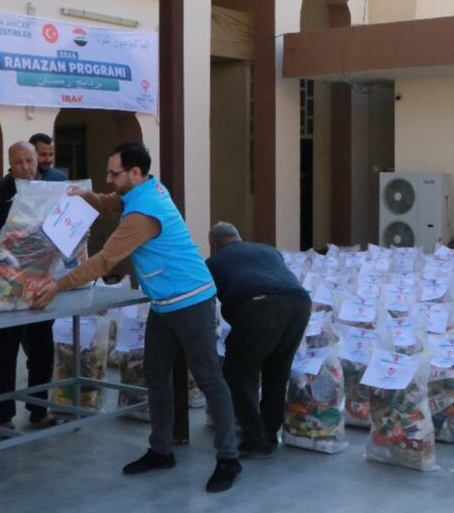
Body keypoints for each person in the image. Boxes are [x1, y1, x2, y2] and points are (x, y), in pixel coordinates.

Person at [30, 142, 242, 493]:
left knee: (208, 378)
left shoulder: (143, 215)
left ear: (135, 173)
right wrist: (86, 195)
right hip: (163, 305)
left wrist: (57, 284)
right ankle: (161, 450)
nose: (108, 178)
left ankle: (228, 458)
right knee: (155, 375)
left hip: (191, 300)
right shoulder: (144, 190)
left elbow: (103, 262)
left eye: (114, 173)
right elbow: (113, 201)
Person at [206, 221, 311, 458]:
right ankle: (271, 434)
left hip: (259, 306)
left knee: (238, 374)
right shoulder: (267, 250)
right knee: (277, 371)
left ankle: (256, 440)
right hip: (300, 304)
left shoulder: (213, 262)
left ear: (213, 244)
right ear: (239, 237)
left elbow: (205, 301)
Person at [0, 141, 54, 430]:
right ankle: (4, 416)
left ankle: (39, 407)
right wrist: (8, 240)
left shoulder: (52, 189)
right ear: (10, 164)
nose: (26, 167)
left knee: (43, 349)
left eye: (30, 161)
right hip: (7, 285)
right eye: (19, 162)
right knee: (6, 351)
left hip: (40, 283)